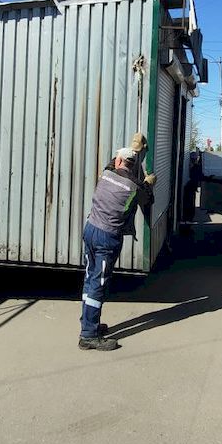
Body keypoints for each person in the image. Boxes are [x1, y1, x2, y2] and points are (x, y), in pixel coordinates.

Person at [79, 146, 155, 351]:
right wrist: (149, 184)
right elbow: (147, 201)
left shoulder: (106, 174)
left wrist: (135, 149)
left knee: (90, 277)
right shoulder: (134, 187)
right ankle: (88, 335)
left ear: (119, 161)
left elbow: (117, 163)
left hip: (90, 230)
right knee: (99, 283)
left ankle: (88, 322)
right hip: (107, 237)